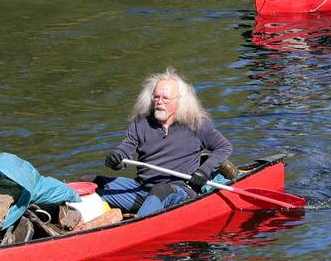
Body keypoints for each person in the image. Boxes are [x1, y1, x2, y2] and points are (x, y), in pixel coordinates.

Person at [99, 69, 233, 217]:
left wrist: (204, 171)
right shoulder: (140, 124)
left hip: (180, 191)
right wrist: (115, 158)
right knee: (98, 184)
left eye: (165, 98)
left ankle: (139, 227)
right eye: (156, 97)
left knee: (161, 190)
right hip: (143, 190)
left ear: (179, 100)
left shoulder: (197, 124)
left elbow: (224, 147)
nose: (159, 102)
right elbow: (125, 151)